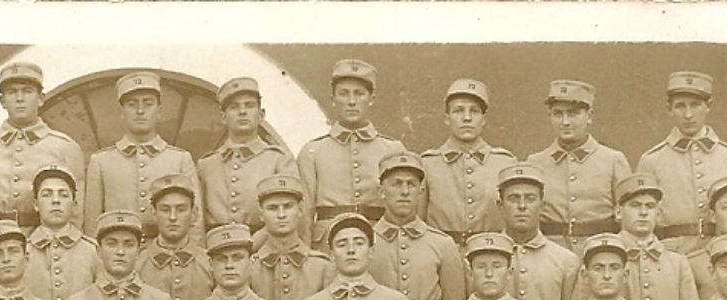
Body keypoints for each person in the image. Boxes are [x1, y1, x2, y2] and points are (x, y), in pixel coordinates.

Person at [636, 72, 727, 252]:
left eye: (695, 105)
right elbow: (639, 217)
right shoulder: (651, 160)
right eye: (680, 106)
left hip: (720, 253)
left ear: (708, 106)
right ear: (669, 109)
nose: (688, 114)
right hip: (671, 253)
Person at [297, 58, 405, 236]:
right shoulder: (312, 151)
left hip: (378, 239)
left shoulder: (392, 150)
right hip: (327, 243)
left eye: (359, 93)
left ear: (371, 99)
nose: (352, 101)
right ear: (333, 99)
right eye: (344, 94)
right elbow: (305, 213)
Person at [83, 72, 199, 237]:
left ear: (159, 111)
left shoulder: (180, 159)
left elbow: (195, 222)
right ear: (121, 112)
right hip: (119, 253)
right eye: (132, 104)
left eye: (148, 104)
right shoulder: (101, 162)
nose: (140, 111)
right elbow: (92, 224)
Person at [0, 61, 85, 229]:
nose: (19, 98)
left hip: (42, 241)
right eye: (12, 92)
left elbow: (76, 211)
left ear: (40, 99)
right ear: (2, 101)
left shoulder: (64, 147)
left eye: (27, 91)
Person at [524, 80, 631, 253]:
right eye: (558, 114)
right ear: (549, 116)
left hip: (601, 255)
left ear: (589, 116)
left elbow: (628, 218)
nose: (565, 122)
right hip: (550, 253)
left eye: (573, 114)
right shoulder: (535, 163)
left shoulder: (613, 160)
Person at [198, 77, 298, 235]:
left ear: (261, 115)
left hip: (263, 248)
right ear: (223, 117)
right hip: (216, 250)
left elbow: (295, 214)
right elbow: (197, 219)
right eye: (234, 107)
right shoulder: (206, 165)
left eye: (249, 105)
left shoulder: (278, 160)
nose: (242, 112)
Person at [421, 78, 513, 244]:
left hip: (491, 256)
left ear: (483, 119)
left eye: (474, 111)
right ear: (447, 118)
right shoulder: (428, 164)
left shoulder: (505, 164)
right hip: (442, 253)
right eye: (458, 111)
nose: (467, 118)